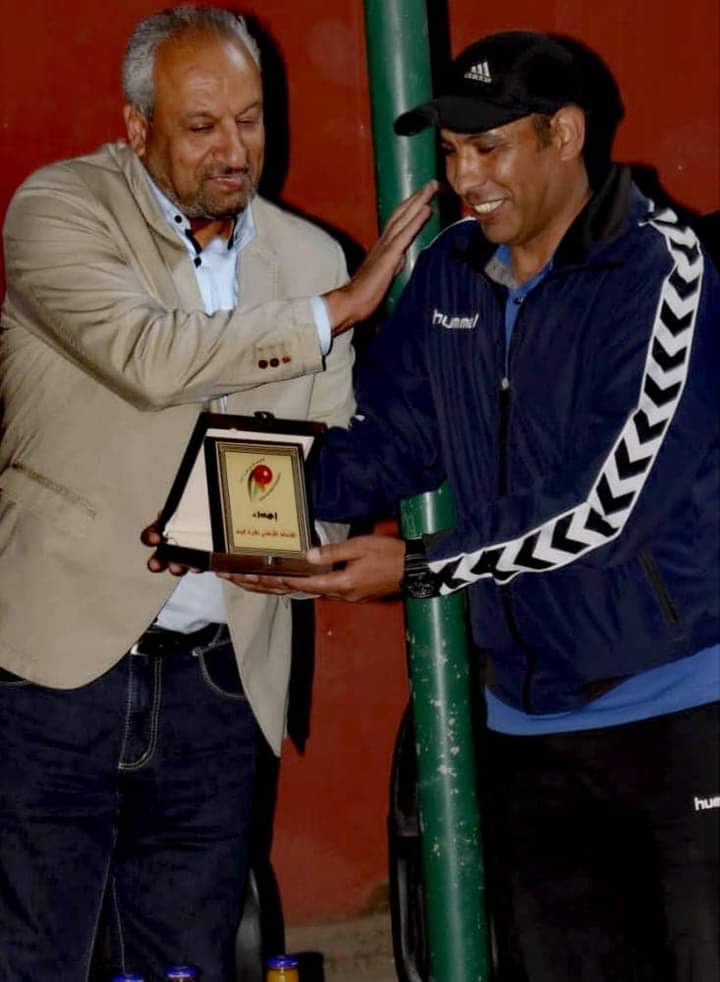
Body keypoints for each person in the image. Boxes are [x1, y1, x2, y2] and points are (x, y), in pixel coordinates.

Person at [223, 31, 720, 981]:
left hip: (682, 715)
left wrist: (416, 567)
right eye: (451, 152)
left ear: (564, 135)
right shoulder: (453, 268)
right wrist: (234, 510)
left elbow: (607, 504)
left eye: (489, 149)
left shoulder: (664, 271)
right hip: (527, 729)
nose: (463, 179)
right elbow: (393, 440)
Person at [0, 6, 435, 979]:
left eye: (250, 119)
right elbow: (146, 358)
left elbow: (328, 452)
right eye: (201, 125)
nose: (233, 150)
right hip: (55, 672)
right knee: (33, 957)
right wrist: (334, 312)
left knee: (190, 959)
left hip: (219, 679)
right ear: (137, 126)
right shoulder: (60, 210)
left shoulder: (308, 255)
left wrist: (297, 545)